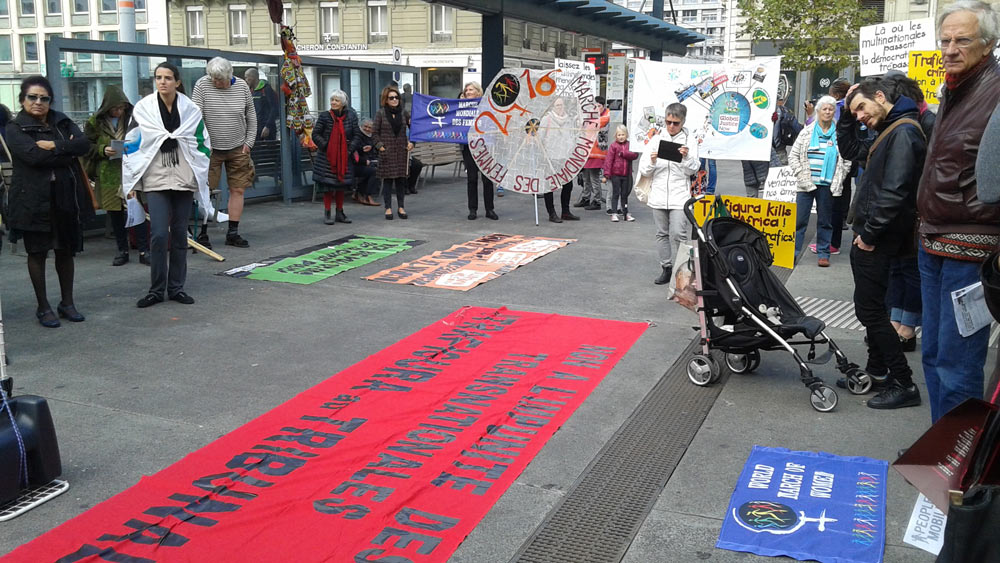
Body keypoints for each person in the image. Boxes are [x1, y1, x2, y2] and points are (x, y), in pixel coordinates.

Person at [915, 0, 1000, 422]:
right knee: (932, 354)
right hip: (933, 241)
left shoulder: (996, 91)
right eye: (945, 39)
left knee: (957, 363)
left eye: (962, 39)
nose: (950, 48)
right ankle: (942, 450)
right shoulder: (955, 88)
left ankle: (959, 470)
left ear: (988, 44)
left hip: (971, 251)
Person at [838, 78, 927, 409]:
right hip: (875, 234)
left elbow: (896, 189)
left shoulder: (903, 130)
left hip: (877, 238)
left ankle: (903, 382)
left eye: (861, 107)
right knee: (873, 307)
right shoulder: (892, 128)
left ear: (880, 96)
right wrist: (848, 110)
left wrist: (870, 235)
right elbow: (849, 149)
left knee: (870, 310)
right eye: (854, 111)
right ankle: (877, 371)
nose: (859, 115)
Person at [123, 62, 217, 309]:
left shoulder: (190, 109)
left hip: (183, 176)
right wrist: (132, 180)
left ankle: (176, 287)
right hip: (155, 176)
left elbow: (201, 141)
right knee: (158, 234)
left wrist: (200, 172)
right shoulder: (143, 108)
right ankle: (156, 289)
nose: (162, 82)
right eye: (158, 77)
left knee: (179, 234)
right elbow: (133, 144)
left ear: (177, 81)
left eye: (167, 77)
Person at [6, 75, 92, 327]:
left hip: (64, 197)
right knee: (38, 252)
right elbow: (34, 158)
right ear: (22, 100)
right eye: (32, 97)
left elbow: (84, 145)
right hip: (32, 200)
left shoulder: (61, 121)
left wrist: (53, 145)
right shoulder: (15, 128)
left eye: (44, 98)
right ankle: (43, 307)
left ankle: (67, 303)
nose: (38, 102)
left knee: (66, 250)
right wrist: (66, 150)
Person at [883, 72, 937, 351]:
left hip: (916, 209)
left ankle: (908, 326)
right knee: (898, 267)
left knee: (911, 269)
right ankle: (897, 320)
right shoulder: (904, 122)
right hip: (903, 207)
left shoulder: (928, 123)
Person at [191, 56, 256, 248]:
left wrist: (249, 143)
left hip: (238, 147)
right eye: (213, 78)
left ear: (230, 75)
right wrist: (202, 145)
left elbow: (251, 116)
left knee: (238, 189)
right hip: (211, 150)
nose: (215, 82)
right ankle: (202, 233)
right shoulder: (202, 85)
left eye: (219, 79)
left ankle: (233, 233)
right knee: (205, 191)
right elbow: (195, 117)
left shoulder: (242, 86)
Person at [85, 85, 149, 267]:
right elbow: (85, 146)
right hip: (108, 174)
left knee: (137, 211)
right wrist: (102, 149)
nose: (118, 111)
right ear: (107, 107)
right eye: (115, 108)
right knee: (115, 214)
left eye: (122, 108)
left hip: (131, 170)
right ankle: (122, 250)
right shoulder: (94, 123)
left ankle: (144, 250)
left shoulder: (133, 120)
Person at [639, 103, 699, 285]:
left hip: (679, 195)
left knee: (679, 233)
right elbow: (644, 170)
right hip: (658, 194)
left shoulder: (690, 140)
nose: (671, 126)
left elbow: (694, 169)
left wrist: (686, 158)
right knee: (661, 233)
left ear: (683, 122)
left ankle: (682, 272)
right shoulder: (656, 140)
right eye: (668, 122)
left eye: (676, 123)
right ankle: (666, 268)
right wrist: (652, 161)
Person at [788, 95, 851, 267]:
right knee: (800, 221)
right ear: (818, 111)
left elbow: (846, 160)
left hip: (827, 185)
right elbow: (793, 156)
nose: (828, 111)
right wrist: (801, 175)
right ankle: (791, 254)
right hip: (806, 183)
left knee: (825, 221)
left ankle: (824, 253)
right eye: (825, 108)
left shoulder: (839, 134)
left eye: (831, 109)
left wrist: (839, 178)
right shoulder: (807, 132)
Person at [312, 90, 360, 225]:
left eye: (336, 100)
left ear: (343, 103)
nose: (333, 102)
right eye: (332, 99)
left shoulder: (351, 116)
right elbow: (315, 134)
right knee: (328, 186)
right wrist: (327, 147)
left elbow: (357, 135)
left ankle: (340, 212)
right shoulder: (324, 116)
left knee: (341, 185)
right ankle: (327, 212)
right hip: (327, 157)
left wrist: (349, 150)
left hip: (345, 156)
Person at [458, 81, 497, 221]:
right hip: (468, 147)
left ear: (478, 92)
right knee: (472, 178)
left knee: (487, 179)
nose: (468, 92)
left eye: (471, 89)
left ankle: (489, 209)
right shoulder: (461, 107)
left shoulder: (485, 105)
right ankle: (472, 209)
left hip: (484, 146)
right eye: (466, 90)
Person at [373, 85, 412, 220]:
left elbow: (414, 128)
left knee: (401, 180)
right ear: (386, 100)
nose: (395, 100)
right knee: (388, 181)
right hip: (387, 151)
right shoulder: (381, 113)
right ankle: (388, 208)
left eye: (397, 97)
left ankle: (401, 207)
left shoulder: (404, 113)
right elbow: (374, 133)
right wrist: (381, 147)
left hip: (401, 150)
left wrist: (412, 142)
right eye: (391, 98)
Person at [541, 97, 579, 223]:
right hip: (551, 157)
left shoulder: (568, 120)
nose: (560, 107)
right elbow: (540, 139)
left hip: (565, 157)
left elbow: (572, 136)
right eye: (557, 105)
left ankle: (565, 211)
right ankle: (551, 213)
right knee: (550, 186)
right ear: (553, 107)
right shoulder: (547, 120)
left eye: (561, 105)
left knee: (568, 185)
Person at [575, 96, 610, 211]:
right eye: (594, 106)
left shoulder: (606, 116)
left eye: (599, 106)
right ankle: (586, 198)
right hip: (587, 151)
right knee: (586, 177)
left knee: (594, 178)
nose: (596, 108)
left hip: (597, 152)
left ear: (603, 106)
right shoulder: (593, 117)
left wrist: (586, 121)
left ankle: (597, 200)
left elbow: (592, 125)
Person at [602, 124, 640, 222]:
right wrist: (607, 174)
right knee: (615, 194)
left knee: (624, 194)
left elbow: (635, 155)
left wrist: (624, 154)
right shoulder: (613, 146)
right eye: (619, 135)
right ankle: (614, 213)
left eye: (623, 134)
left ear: (626, 135)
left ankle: (625, 212)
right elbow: (609, 160)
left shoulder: (629, 145)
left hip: (626, 174)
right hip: (616, 175)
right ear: (616, 136)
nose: (621, 137)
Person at [243, 68, 278, 142]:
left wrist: (267, 126)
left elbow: (274, 108)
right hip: (255, 129)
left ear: (253, 77)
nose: (245, 79)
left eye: (246, 77)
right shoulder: (250, 91)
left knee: (267, 152)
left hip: (266, 129)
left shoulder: (266, 89)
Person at [352, 117, 380, 207]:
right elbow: (353, 152)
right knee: (374, 171)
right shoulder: (356, 136)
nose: (367, 129)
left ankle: (359, 193)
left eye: (369, 127)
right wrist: (364, 160)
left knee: (376, 168)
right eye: (365, 126)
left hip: (367, 161)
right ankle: (367, 195)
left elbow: (376, 147)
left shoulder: (372, 136)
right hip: (354, 164)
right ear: (361, 126)